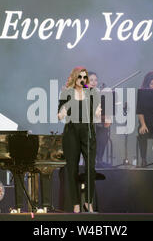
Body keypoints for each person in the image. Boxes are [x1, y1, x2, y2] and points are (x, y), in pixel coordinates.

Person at [58, 67, 101, 213]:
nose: (82, 80)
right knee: (72, 169)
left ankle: (88, 202)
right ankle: (76, 204)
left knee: (90, 167)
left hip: (88, 132)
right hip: (71, 132)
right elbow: (60, 114)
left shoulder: (92, 92)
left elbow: (97, 112)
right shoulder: (66, 93)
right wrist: (67, 106)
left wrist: (98, 111)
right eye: (79, 77)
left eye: (85, 77)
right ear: (75, 78)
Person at [88, 71, 112, 168]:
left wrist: (107, 118)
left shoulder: (100, 93)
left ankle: (99, 159)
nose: (94, 82)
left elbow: (106, 109)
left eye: (95, 80)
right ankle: (90, 160)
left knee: (103, 133)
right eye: (91, 80)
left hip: (97, 123)